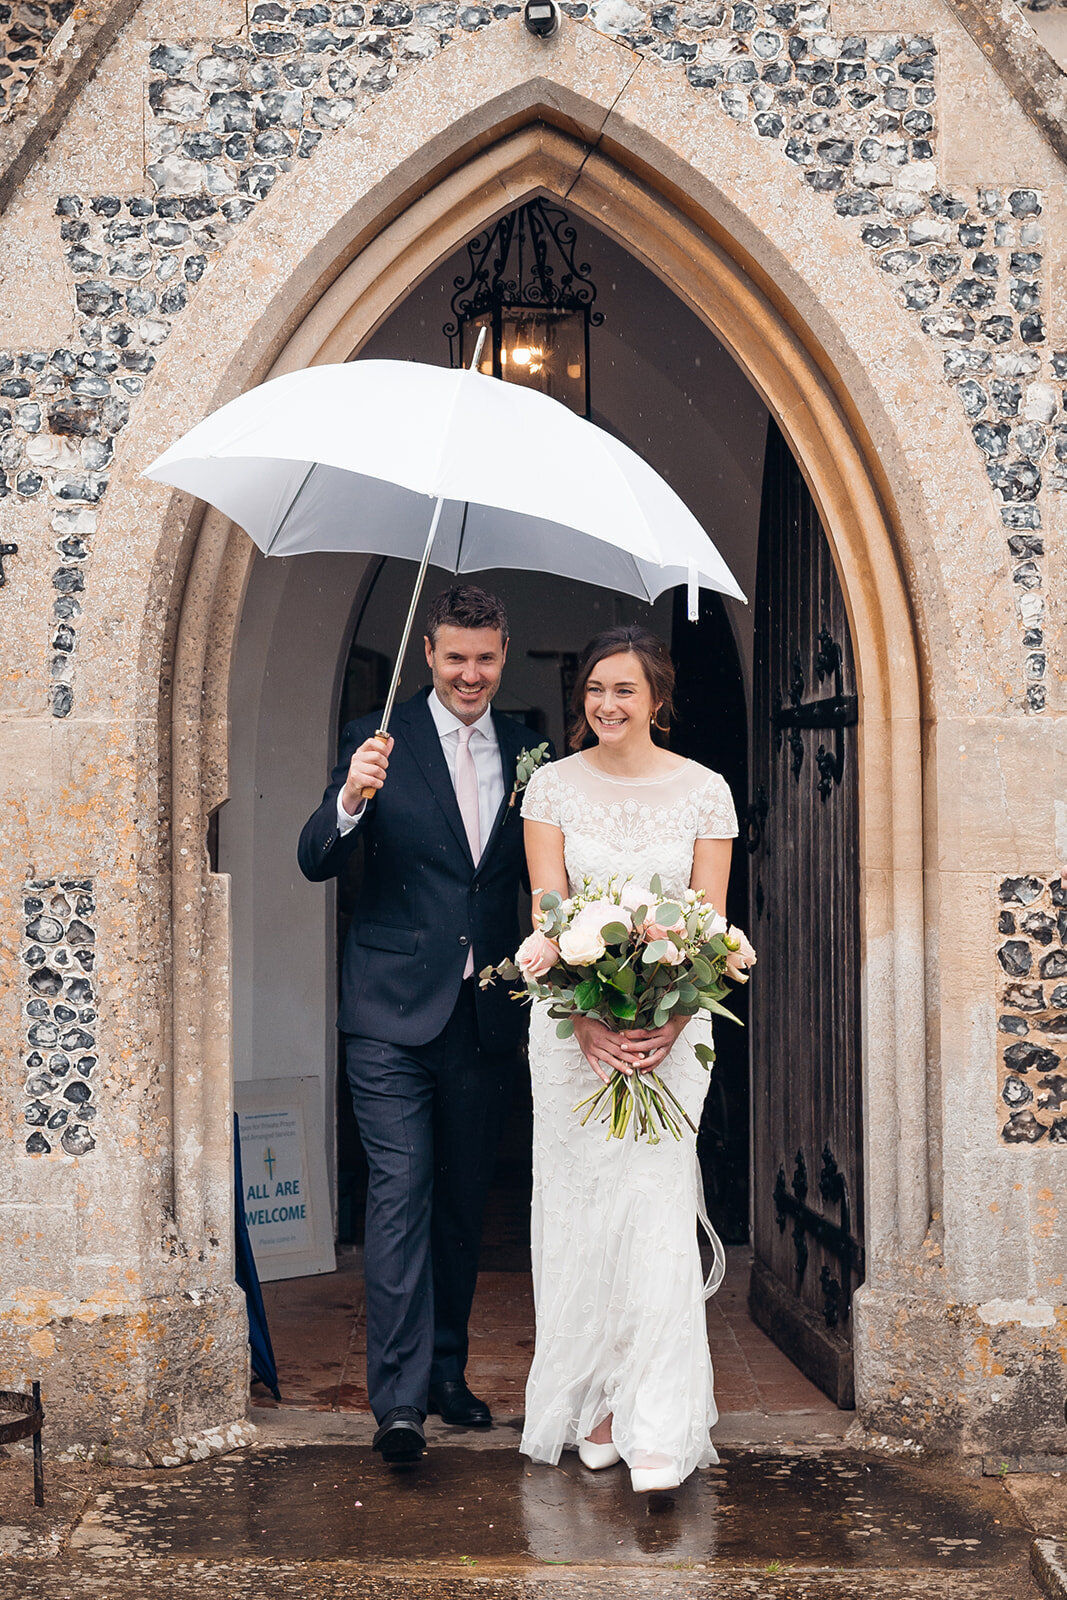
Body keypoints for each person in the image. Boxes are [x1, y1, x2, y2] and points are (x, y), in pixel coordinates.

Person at [298, 585, 544, 1464]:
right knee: (401, 1196)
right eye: (454, 658)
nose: (469, 674)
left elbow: (527, 877)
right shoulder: (378, 740)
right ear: (428, 655)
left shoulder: (528, 749)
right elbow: (313, 859)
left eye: (484, 658)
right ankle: (398, 1405)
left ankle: (446, 1374)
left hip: (483, 1013)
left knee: (460, 1205)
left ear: (503, 651)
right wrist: (351, 801)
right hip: (388, 1014)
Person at [519, 625, 739, 1494]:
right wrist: (584, 1023)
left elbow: (711, 928)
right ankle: (597, 1408)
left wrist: (671, 1025)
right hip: (573, 1037)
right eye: (594, 690)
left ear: (657, 699)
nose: (607, 706)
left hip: (672, 1037)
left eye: (625, 691)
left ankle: (655, 1418)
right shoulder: (551, 787)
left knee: (651, 1209)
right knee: (581, 1211)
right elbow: (549, 915)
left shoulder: (705, 792)